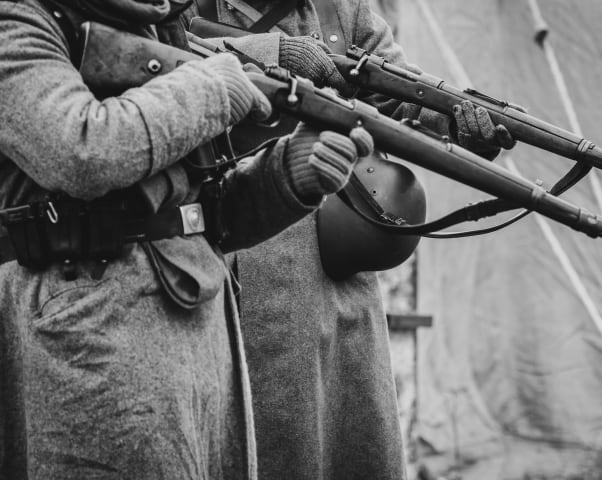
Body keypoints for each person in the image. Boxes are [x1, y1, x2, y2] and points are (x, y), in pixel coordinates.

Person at [0, 0, 374, 478]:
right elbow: (81, 153)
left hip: (203, 349)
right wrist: (211, 87)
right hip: (88, 348)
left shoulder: (153, 23)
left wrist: (290, 173)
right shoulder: (19, 18)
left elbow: (200, 215)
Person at [181, 1, 515, 479]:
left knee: (356, 435)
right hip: (247, 255)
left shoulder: (342, 9)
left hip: (343, 256)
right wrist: (274, 52)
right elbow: (166, 63)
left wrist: (457, 122)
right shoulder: (187, 6)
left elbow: (401, 90)